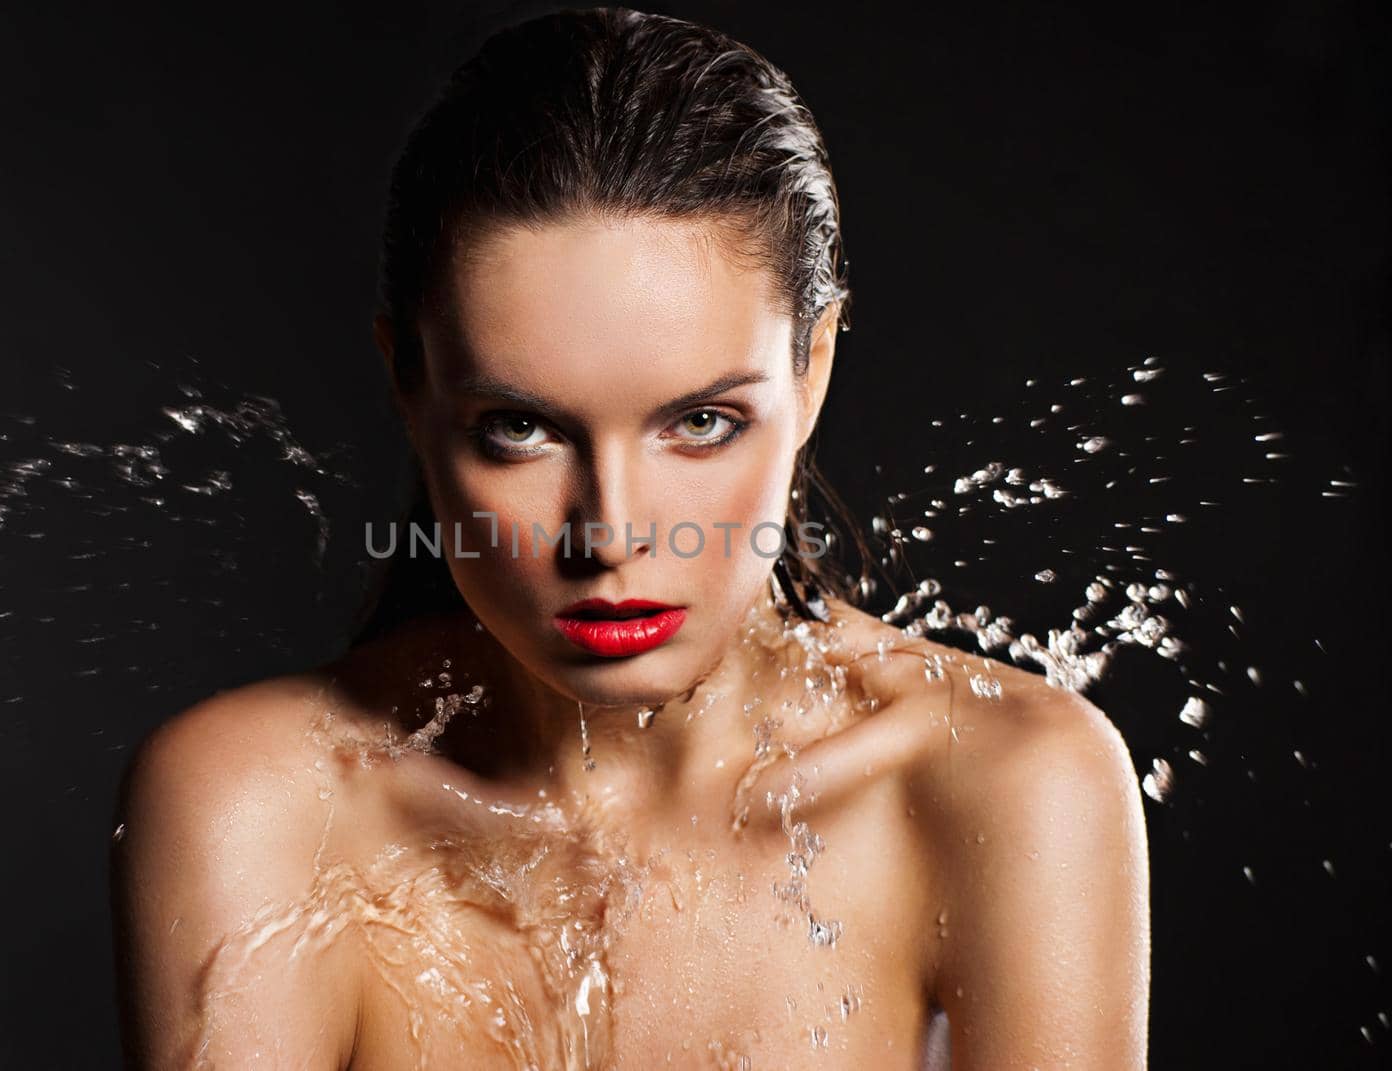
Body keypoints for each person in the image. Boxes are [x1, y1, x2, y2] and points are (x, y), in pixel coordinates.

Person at [111, 7, 1150, 1068]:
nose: (608, 535)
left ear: (814, 367)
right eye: (518, 428)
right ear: (409, 385)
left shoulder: (1000, 781)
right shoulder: (262, 802)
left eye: (700, 423)